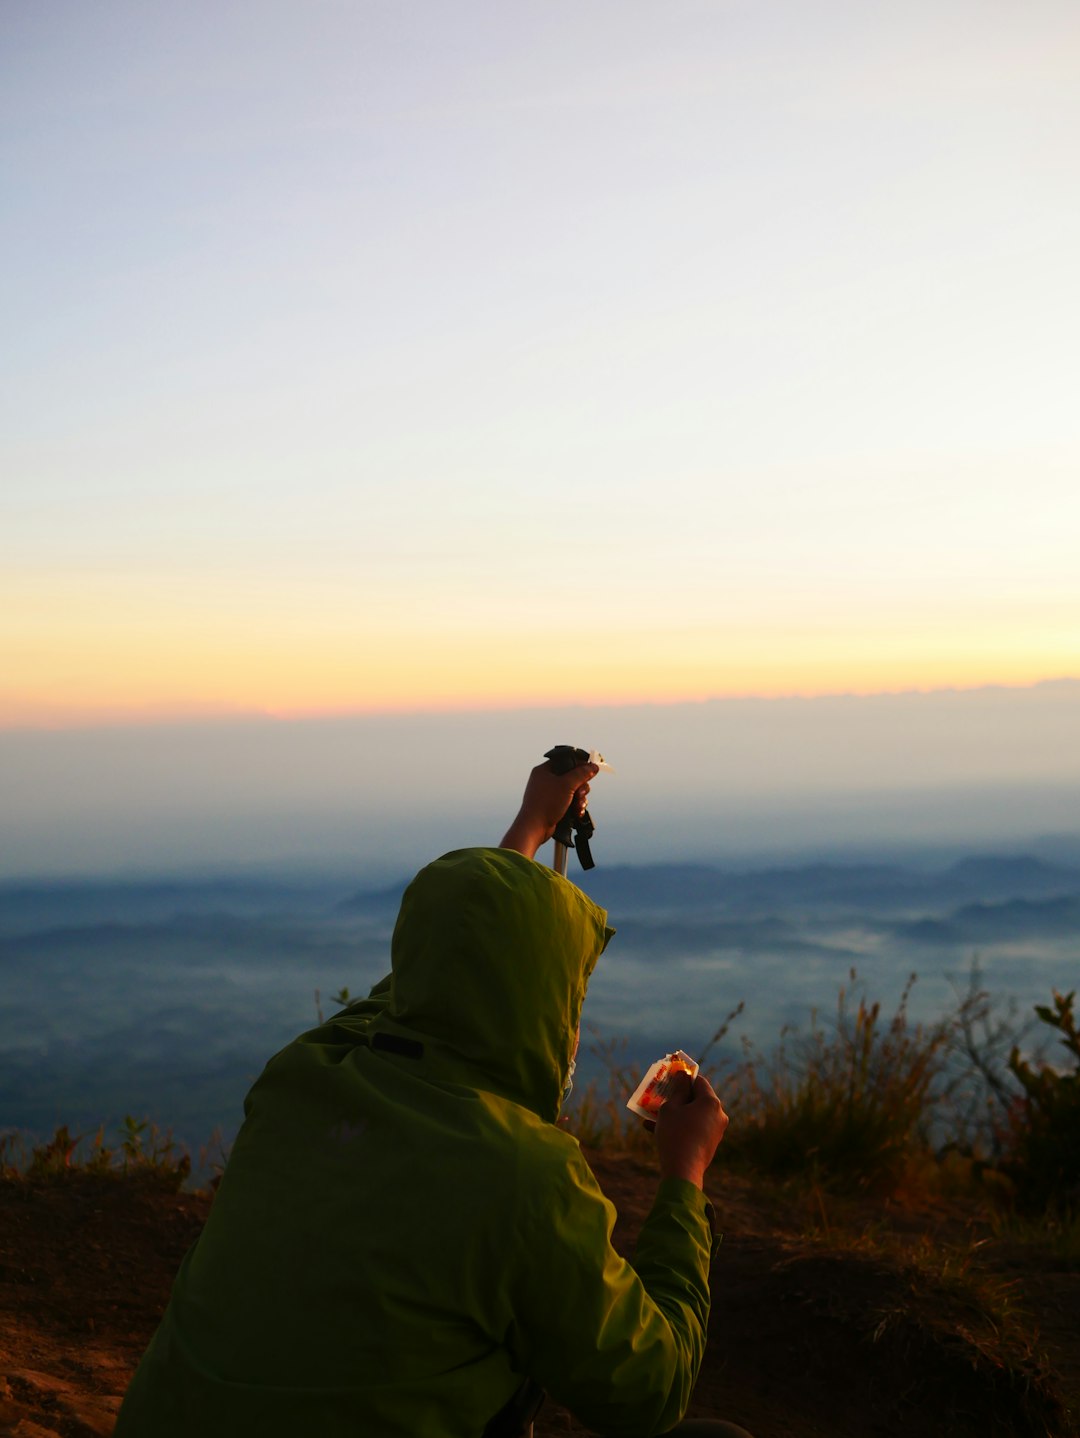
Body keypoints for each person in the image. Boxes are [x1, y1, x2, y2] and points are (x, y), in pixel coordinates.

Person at [115, 760, 750, 1438]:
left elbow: (431, 979)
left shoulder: (303, 1075)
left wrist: (531, 829)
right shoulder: (523, 1178)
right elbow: (650, 1392)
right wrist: (685, 1177)